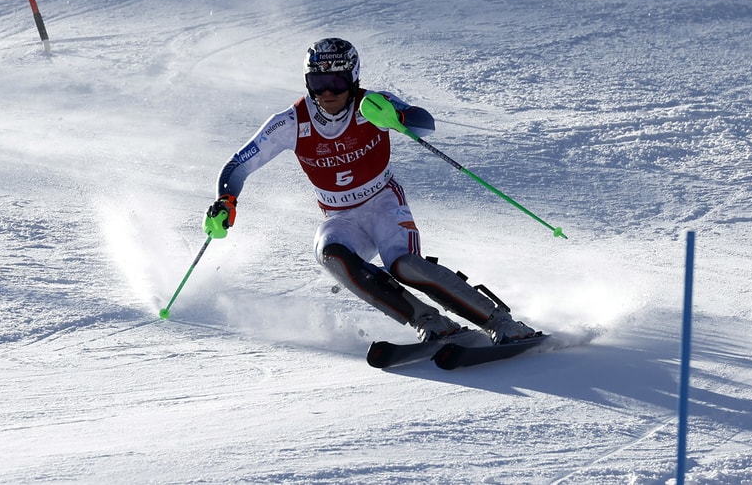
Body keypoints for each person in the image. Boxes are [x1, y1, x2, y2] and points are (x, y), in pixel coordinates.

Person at [204, 37, 536, 344]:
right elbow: (238, 164)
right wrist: (225, 200)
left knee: (404, 265)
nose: (328, 93)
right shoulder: (291, 122)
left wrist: (400, 115)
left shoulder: (372, 106)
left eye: (337, 82)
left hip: (384, 203)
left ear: (354, 80)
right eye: (319, 84)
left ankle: (500, 322)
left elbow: (425, 124)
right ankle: (430, 322)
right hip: (341, 216)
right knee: (330, 255)